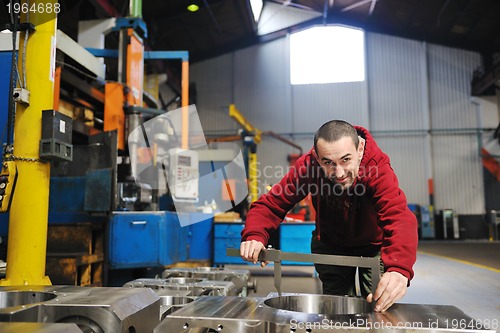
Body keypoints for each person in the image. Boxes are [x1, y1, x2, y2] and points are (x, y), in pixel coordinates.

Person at [240, 120, 418, 312]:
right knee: (336, 309)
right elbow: (272, 203)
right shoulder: (308, 167)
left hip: (374, 246)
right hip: (331, 244)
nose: (339, 172)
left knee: (378, 305)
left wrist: (399, 269)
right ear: (317, 157)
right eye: (328, 163)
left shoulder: (377, 169)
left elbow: (398, 216)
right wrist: (254, 235)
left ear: (360, 149)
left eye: (345, 160)